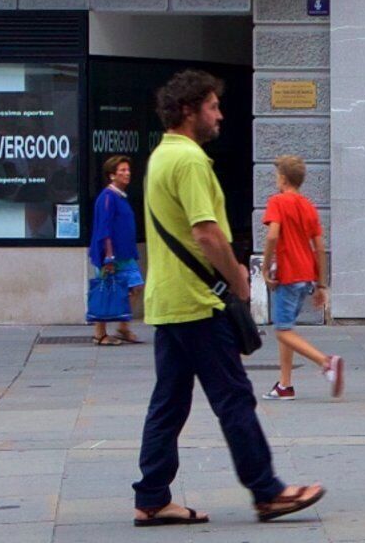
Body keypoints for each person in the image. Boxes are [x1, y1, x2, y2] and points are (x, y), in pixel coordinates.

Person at [131, 71, 322, 527]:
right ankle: (268, 492)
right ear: (187, 110)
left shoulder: (161, 156)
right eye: (212, 107)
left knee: (170, 402)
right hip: (198, 302)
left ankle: (153, 497)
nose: (220, 115)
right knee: (235, 397)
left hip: (169, 300)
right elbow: (206, 231)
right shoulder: (190, 161)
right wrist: (239, 280)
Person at [258, 156, 341, 401]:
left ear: (282, 178)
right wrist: (321, 283)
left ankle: (326, 362)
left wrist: (264, 267)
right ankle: (285, 385)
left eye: (276, 176)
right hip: (306, 275)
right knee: (288, 328)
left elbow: (272, 235)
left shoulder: (278, 201)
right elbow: (319, 246)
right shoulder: (308, 206)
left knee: (282, 331)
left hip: (288, 273)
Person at [89, 154, 143, 347]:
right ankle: (99, 333)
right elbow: (105, 228)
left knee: (135, 286)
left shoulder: (121, 197)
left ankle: (123, 327)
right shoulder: (107, 197)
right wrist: (109, 255)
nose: (127, 174)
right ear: (112, 175)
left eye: (128, 170)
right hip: (111, 256)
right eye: (122, 171)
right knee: (106, 290)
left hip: (125, 254)